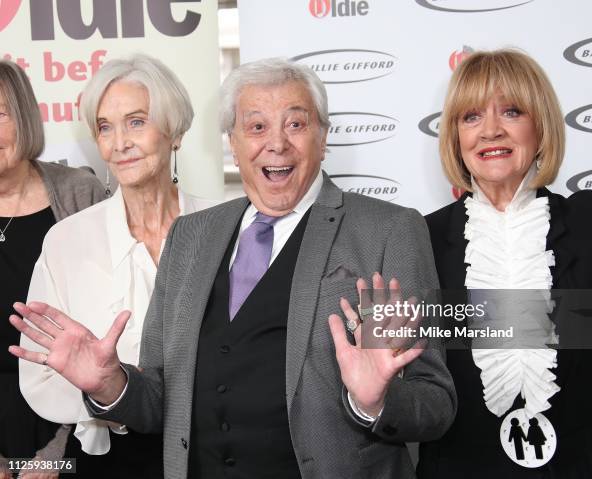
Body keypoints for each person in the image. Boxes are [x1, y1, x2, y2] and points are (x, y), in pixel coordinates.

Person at [10, 57, 456, 479]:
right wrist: (112, 385)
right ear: (234, 143)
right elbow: (161, 398)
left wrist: (376, 402)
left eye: (296, 124)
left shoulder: (384, 232)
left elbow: (433, 401)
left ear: (323, 137)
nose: (275, 142)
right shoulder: (191, 236)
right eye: (256, 126)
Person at [15, 54, 216, 478]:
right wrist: (110, 390)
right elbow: (40, 376)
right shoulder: (67, 242)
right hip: (111, 459)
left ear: (175, 131)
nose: (119, 142)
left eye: (137, 122)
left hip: (213, 451)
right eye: (105, 127)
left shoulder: (223, 229)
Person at [418, 49, 592, 478]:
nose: (490, 130)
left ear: (540, 126)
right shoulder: (418, 238)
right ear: (454, 137)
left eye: (511, 111)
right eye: (470, 117)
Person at [0, 60, 105, 479]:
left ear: (25, 118)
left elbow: (107, 326)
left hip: (70, 418)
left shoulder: (81, 193)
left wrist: (55, 454)